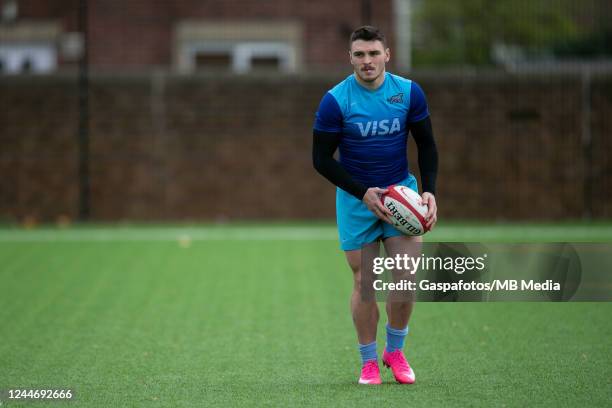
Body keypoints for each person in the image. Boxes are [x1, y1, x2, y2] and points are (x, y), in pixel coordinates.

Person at [312, 25, 438, 385]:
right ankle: (368, 361)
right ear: (350, 58)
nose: (367, 61)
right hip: (357, 201)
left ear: (387, 54)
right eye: (360, 54)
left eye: (373, 53)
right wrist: (363, 191)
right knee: (365, 280)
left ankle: (395, 352)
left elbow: (427, 145)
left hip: (403, 196)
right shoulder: (336, 100)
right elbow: (321, 159)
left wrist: (428, 190)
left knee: (405, 276)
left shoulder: (408, 93)